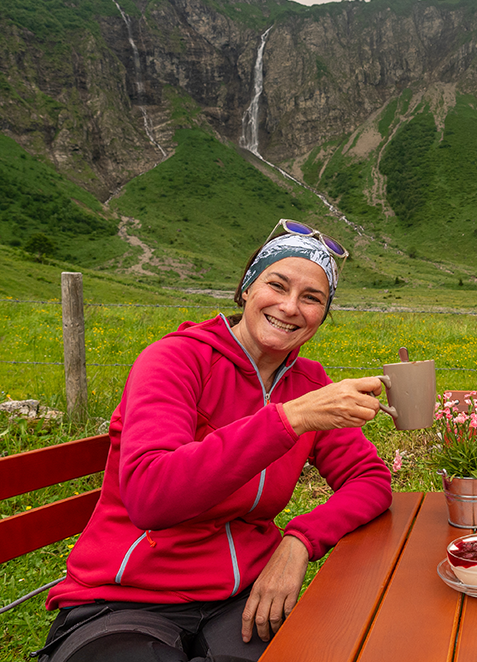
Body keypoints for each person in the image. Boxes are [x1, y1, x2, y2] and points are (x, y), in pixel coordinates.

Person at [38, 219, 393, 662]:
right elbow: (152, 498)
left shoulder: (307, 382)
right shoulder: (175, 359)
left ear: (323, 315)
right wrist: (290, 419)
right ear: (246, 288)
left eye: (312, 298)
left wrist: (299, 541)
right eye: (277, 285)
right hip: (125, 598)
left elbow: (370, 478)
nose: (289, 307)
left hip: (243, 598)